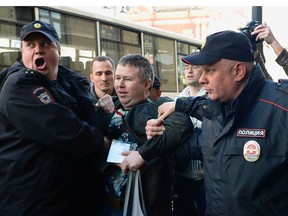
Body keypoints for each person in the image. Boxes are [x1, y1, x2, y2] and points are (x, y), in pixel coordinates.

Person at [146, 30, 288, 215]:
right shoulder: (214, 110)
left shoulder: (281, 109)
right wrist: (159, 134)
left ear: (238, 71)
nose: (202, 78)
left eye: (209, 71)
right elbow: (197, 145)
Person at [0, 20, 109, 216]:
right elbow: (67, 131)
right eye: (30, 45)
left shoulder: (67, 82)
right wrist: (102, 142)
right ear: (22, 52)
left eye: (45, 44)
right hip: (34, 204)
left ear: (58, 50)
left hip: (67, 200)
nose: (38, 51)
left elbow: (87, 116)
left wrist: (100, 109)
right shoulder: (19, 86)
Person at [102, 53, 193, 216]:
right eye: (117, 78)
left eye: (128, 79)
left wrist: (143, 154)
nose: (120, 85)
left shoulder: (157, 115)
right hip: (106, 206)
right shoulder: (108, 108)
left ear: (147, 84)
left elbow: (183, 121)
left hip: (144, 208)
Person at [173, 62, 207, 216]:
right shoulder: (176, 100)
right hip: (182, 175)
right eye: (186, 68)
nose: (189, 70)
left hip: (207, 177)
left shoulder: (210, 99)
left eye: (194, 66)